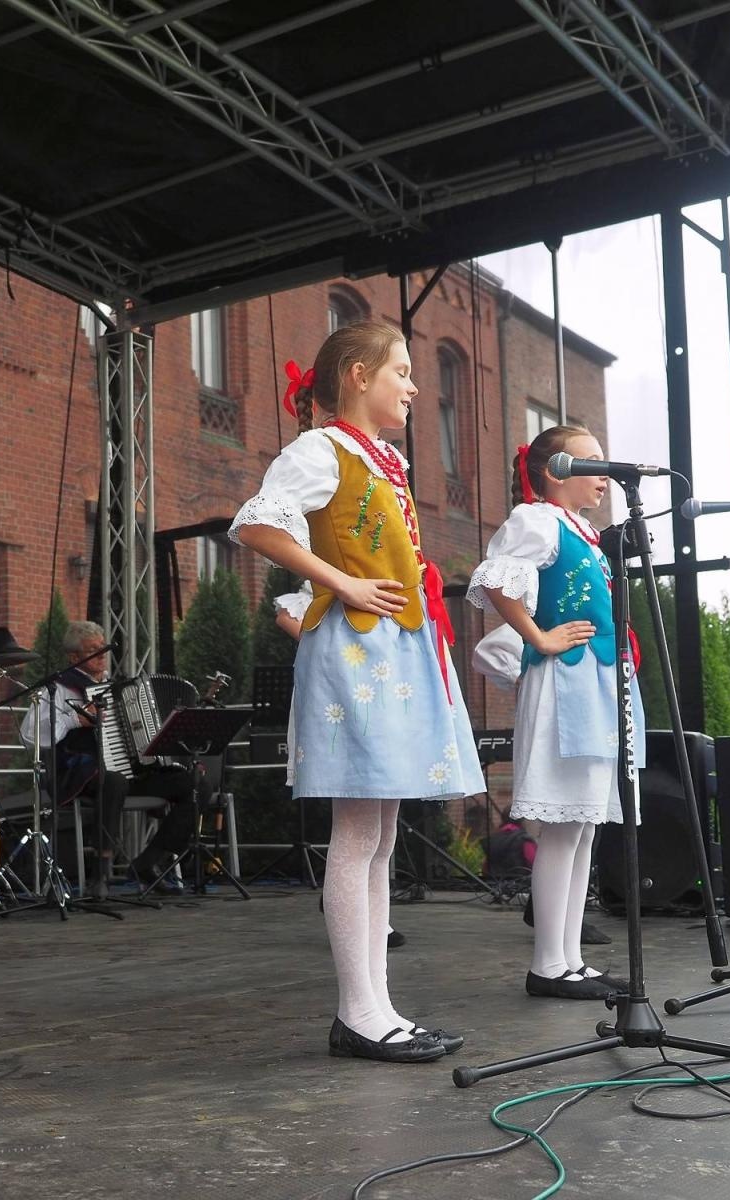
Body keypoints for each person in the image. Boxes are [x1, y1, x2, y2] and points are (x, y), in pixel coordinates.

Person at [231, 320, 484, 1064]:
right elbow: (256, 524)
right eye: (400, 371)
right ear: (356, 375)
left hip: (395, 647)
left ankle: (377, 1006)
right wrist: (340, 581)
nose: (413, 386)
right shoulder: (321, 450)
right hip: (355, 652)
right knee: (357, 832)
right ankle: (358, 1011)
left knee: (380, 833)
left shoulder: (385, 459)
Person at [466, 423, 644, 1000]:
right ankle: (548, 963)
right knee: (564, 827)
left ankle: (570, 959)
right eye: (591, 463)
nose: (604, 476)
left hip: (595, 682)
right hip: (567, 684)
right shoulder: (538, 521)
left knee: (583, 826)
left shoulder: (583, 533)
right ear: (554, 471)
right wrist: (538, 637)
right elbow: (496, 582)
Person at [273, 580, 405, 951]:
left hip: (380, 672)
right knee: (358, 826)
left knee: (382, 831)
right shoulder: (327, 572)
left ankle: (374, 924)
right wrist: (327, 641)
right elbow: (287, 615)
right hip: (346, 676)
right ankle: (356, 925)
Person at [18, 620, 195, 893]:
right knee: (112, 781)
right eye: (93, 650)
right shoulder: (59, 688)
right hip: (79, 774)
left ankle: (148, 862)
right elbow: (30, 735)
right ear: (74, 657)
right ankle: (99, 875)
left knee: (192, 784)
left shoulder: (120, 689)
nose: (102, 655)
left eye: (103, 648)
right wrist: (74, 720)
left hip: (129, 772)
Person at [471, 624, 612, 944]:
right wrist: (523, 672)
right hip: (559, 723)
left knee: (583, 831)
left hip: (591, 721)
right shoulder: (560, 607)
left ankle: (565, 933)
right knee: (562, 831)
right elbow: (489, 649)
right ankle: (551, 937)